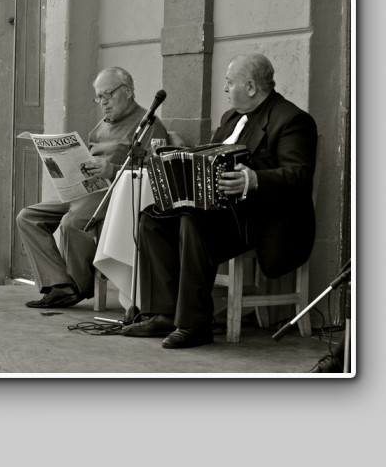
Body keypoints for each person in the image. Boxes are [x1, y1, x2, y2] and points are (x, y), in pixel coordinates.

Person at [122, 53, 318, 348]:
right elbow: (211, 158)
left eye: (229, 82)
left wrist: (253, 180)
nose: (225, 89)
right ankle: (162, 312)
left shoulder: (291, 120)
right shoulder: (230, 118)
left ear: (250, 87)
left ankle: (194, 324)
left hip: (263, 220)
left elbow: (299, 174)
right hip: (222, 212)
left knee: (193, 220)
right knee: (153, 216)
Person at [17, 66, 169, 309]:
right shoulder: (101, 126)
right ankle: (59, 284)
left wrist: (113, 169)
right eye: (99, 97)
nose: (103, 103)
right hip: (85, 189)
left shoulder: (148, 125)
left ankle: (78, 286)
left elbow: (153, 172)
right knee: (27, 217)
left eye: (108, 95)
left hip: (117, 193)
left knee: (72, 223)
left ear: (128, 91)